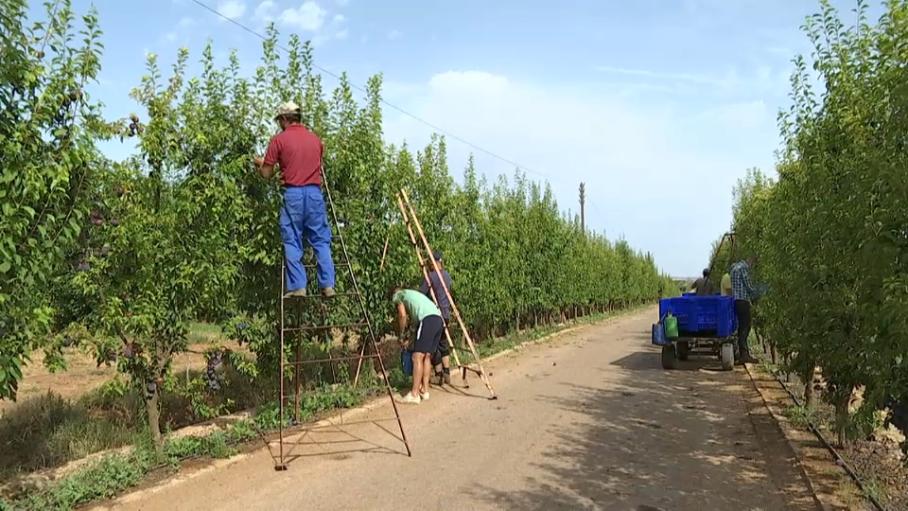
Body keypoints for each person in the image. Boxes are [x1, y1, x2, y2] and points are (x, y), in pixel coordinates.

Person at [254, 101, 335, 299]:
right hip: (315, 193)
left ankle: (299, 286)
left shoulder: (279, 140)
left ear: (283, 119)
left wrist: (260, 164)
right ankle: (328, 285)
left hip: (293, 194)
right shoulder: (316, 140)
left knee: (292, 239)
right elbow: (317, 167)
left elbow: (266, 174)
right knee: (321, 240)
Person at [390, 286, 444, 404]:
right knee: (427, 356)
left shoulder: (398, 296)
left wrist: (401, 334)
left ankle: (414, 394)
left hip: (428, 320)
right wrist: (409, 340)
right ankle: (425, 390)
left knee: (416, 357)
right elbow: (417, 329)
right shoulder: (413, 296)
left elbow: (402, 316)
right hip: (438, 319)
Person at [419, 250, 453, 385]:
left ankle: (439, 374)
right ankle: (447, 372)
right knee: (443, 343)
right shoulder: (447, 276)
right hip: (446, 313)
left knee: (433, 346)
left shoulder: (431, 276)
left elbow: (422, 292)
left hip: (435, 315)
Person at [730, 256, 759, 364]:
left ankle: (742, 352)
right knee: (746, 326)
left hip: (736, 301)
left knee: (741, 326)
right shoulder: (743, 268)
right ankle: (744, 354)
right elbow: (749, 286)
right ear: (751, 261)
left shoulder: (734, 268)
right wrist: (758, 292)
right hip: (743, 300)